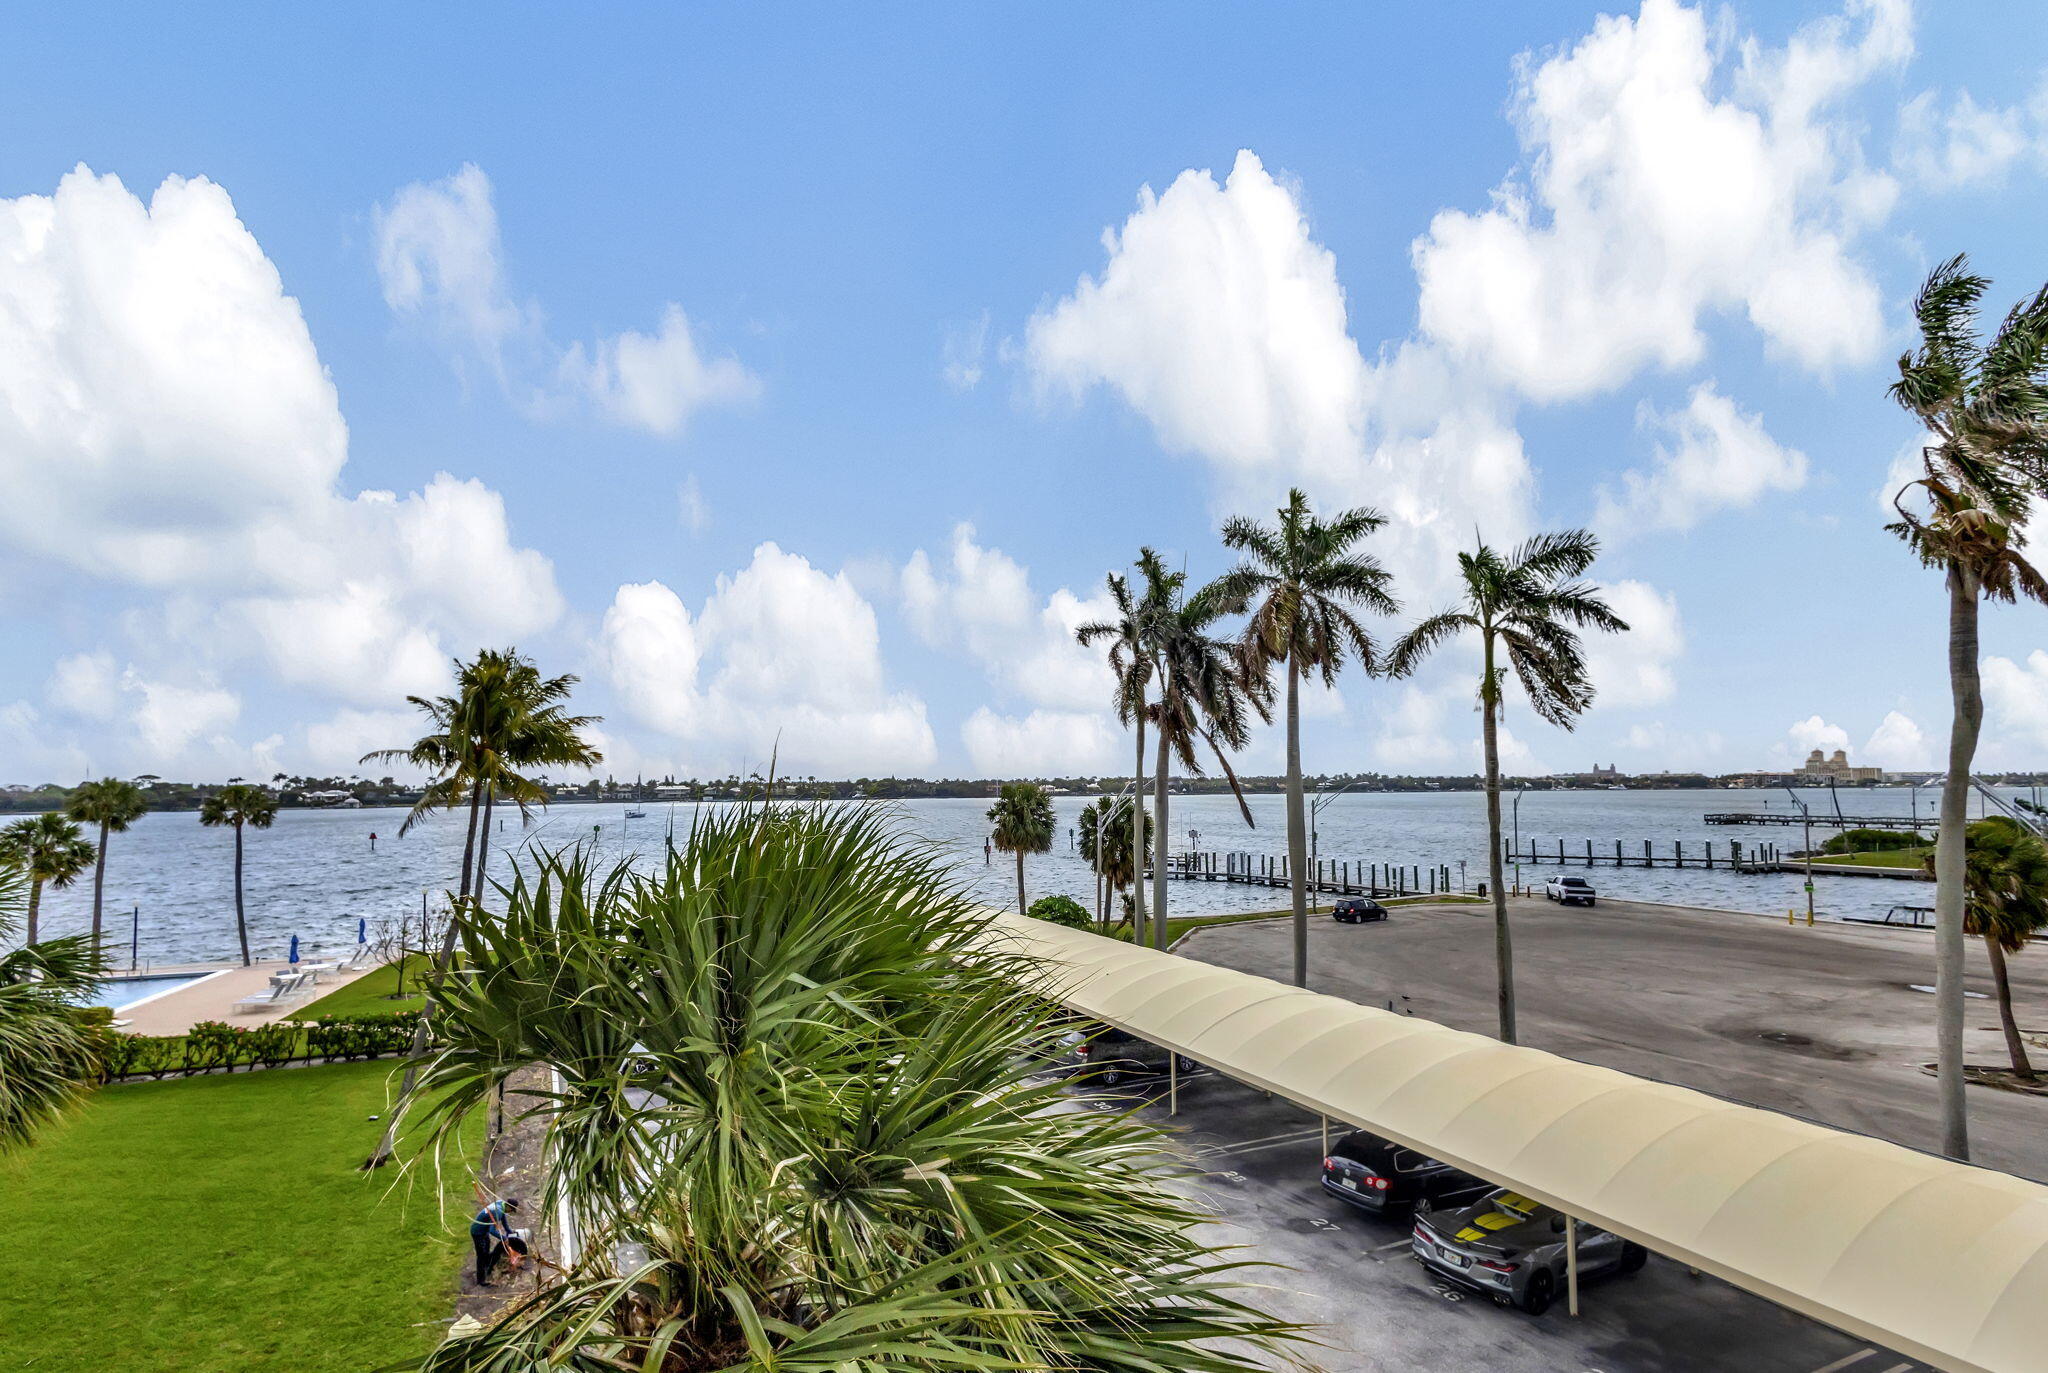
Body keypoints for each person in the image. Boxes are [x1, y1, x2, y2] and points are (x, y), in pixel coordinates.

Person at [470, 1195, 520, 1286]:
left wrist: (510, 1231)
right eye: (511, 1210)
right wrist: (504, 1238)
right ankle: (481, 1280)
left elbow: (504, 1221)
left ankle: (487, 1269)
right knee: (481, 1256)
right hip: (478, 1232)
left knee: (486, 1250)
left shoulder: (501, 1204)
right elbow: (492, 1230)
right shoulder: (497, 1211)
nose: (510, 1212)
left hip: (484, 1231)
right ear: (508, 1206)